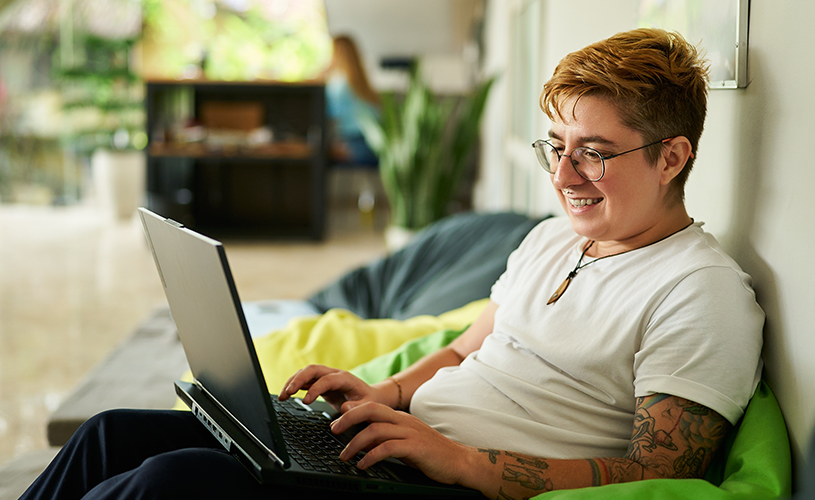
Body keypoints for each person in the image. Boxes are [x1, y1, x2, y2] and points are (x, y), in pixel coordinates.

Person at [21, 28, 763, 500]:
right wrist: (385, 393)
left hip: (452, 487)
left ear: (673, 157)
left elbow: (664, 476)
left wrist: (462, 462)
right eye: (557, 146)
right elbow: (464, 348)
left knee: (173, 483)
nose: (564, 174)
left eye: (594, 153)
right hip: (398, 449)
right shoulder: (553, 238)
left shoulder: (699, 293)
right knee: (112, 431)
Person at [324, 35, 381, 166]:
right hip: (376, 146)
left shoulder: (338, 84)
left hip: (356, 145)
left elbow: (330, 115)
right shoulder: (362, 83)